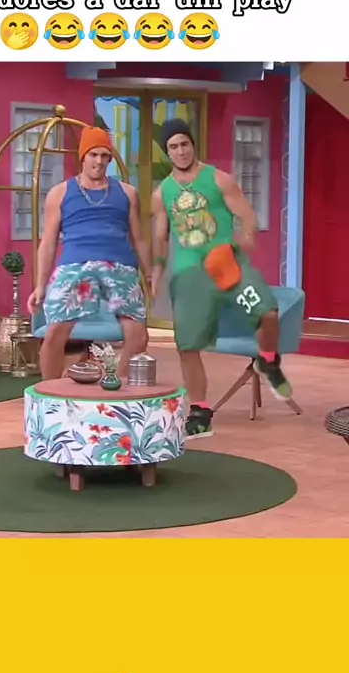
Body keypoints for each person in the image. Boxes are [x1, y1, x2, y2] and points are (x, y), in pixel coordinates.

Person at [151, 117, 293, 439]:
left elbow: (247, 216)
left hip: (229, 265)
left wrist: (247, 237)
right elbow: (160, 237)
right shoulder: (162, 194)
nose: (181, 151)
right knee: (187, 346)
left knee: (268, 313)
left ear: (193, 144)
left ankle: (268, 360)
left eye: (185, 144)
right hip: (190, 274)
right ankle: (200, 412)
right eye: (173, 147)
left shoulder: (218, 179)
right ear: (167, 152)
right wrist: (157, 271)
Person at [27, 125, 150, 380]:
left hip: (120, 265)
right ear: (83, 156)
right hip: (75, 266)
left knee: (138, 335)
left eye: (105, 156)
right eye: (94, 154)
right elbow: (48, 242)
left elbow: (138, 238)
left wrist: (148, 274)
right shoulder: (60, 193)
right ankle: (52, 393)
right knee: (55, 332)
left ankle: (117, 386)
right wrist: (40, 286)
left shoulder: (127, 193)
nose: (99, 161)